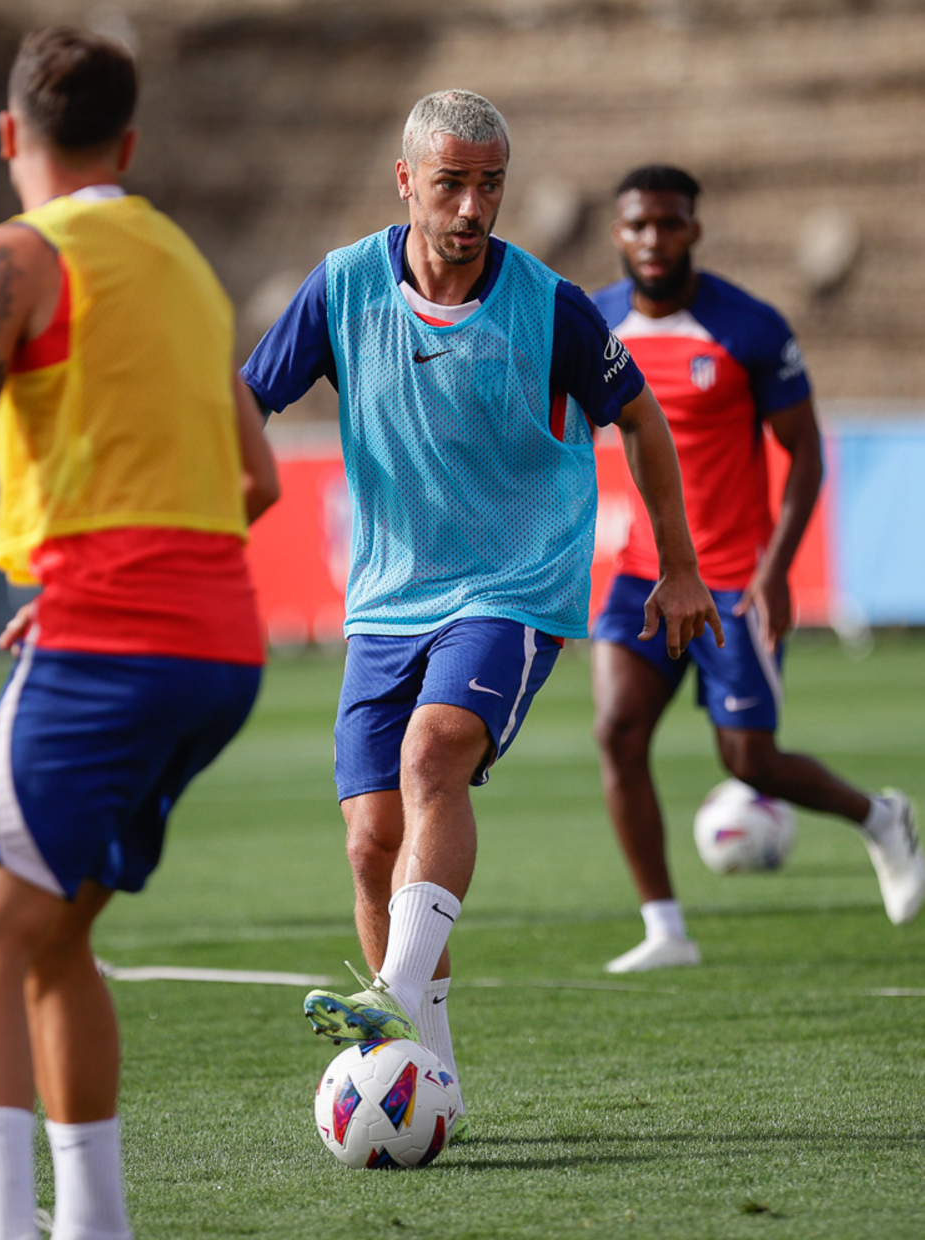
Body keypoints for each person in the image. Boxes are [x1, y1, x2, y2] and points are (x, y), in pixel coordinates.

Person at [243, 94, 719, 1134]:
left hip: (512, 586)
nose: (473, 205)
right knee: (373, 842)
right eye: (452, 182)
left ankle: (391, 1004)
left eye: (491, 183)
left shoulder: (548, 306)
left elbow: (635, 413)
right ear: (404, 181)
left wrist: (679, 567)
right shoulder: (341, 287)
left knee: (433, 755)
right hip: (385, 598)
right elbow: (251, 400)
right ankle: (431, 1076)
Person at [0, 27, 278, 1240]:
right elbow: (255, 479)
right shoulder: (185, 266)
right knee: (50, 938)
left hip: (109, 644)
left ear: (10, 138)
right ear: (132, 144)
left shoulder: (20, 252)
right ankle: (91, 1224)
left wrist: (93, 576)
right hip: (218, 648)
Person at [590, 164, 923, 974]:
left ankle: (880, 817)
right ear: (618, 234)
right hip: (640, 574)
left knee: (749, 760)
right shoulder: (593, 323)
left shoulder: (748, 328)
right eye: (639, 225)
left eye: (670, 223)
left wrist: (776, 571)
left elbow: (804, 453)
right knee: (617, 732)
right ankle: (666, 926)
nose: (654, 239)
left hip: (733, 580)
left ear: (695, 229)